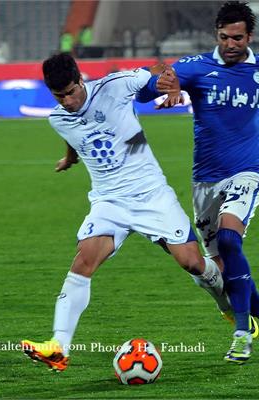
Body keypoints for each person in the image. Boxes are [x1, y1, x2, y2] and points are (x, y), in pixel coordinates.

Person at [20, 53, 233, 372]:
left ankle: (228, 305)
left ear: (81, 80)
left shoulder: (116, 86)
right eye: (58, 96)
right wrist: (71, 158)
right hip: (108, 202)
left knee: (192, 263)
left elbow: (158, 71)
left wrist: (171, 85)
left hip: (150, 195)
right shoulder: (58, 118)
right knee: (84, 261)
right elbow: (74, 134)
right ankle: (59, 347)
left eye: (70, 92)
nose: (66, 101)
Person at [137, 0, 259, 364]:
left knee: (230, 238)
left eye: (238, 38)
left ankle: (242, 333)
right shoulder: (197, 68)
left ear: (250, 36)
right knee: (228, 271)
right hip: (205, 182)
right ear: (217, 34)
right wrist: (166, 84)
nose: (231, 44)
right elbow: (150, 82)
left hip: (247, 172)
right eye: (225, 37)